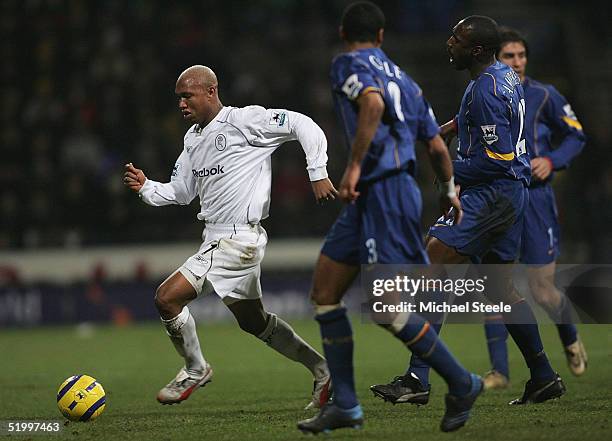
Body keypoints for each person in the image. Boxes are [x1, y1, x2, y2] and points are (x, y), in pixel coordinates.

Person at [297, 2, 483, 434]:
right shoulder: (408, 80)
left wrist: (355, 165)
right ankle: (345, 404)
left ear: (345, 32)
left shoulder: (347, 62)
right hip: (377, 196)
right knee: (325, 290)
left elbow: (373, 105)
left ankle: (462, 381)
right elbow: (436, 145)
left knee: (386, 307)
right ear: (381, 36)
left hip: (383, 190)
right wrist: (450, 189)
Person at [370, 16, 567, 407]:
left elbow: (499, 158)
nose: (448, 43)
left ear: (475, 50)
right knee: (499, 288)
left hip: (490, 194)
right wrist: (452, 127)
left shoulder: (486, 90)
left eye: (456, 39)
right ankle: (543, 375)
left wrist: (447, 165)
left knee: (430, 268)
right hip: (509, 194)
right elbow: (491, 122)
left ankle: (419, 378)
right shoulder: (500, 77)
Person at [123, 65, 337, 409]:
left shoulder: (245, 121)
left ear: (211, 92)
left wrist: (317, 172)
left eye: (187, 96)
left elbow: (302, 123)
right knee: (255, 322)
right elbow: (182, 191)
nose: (181, 103)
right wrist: (147, 187)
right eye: (178, 97)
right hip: (218, 238)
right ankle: (324, 370)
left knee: (166, 299)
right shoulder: (192, 138)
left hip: (237, 239)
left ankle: (195, 368)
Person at [481, 27, 587, 389]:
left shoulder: (545, 95)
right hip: (500, 197)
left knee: (542, 290)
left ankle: (570, 338)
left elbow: (576, 134)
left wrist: (553, 161)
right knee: (495, 285)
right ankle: (500, 371)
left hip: (537, 198)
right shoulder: (488, 91)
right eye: (509, 56)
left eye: (521, 55)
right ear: (498, 58)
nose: (517, 62)